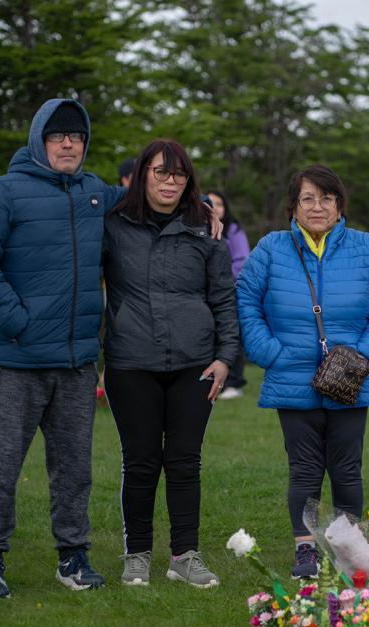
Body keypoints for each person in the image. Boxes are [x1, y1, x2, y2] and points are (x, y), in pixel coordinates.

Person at [0, 98, 124, 597]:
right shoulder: (2, 192)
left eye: (76, 136)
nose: (68, 144)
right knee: (1, 469)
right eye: (58, 135)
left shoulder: (95, 193)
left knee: (74, 471)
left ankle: (73, 557)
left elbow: (149, 201)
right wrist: (16, 322)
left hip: (76, 364)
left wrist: (199, 207)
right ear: (39, 140)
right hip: (17, 360)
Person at [237, 164, 369, 579]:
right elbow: (246, 301)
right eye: (307, 198)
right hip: (291, 375)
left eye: (326, 198)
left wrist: (367, 353)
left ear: (339, 205)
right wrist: (269, 352)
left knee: (347, 468)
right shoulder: (271, 248)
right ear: (293, 206)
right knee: (304, 469)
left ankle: (349, 552)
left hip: (350, 377)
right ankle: (306, 552)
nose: (317, 207)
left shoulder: (365, 248)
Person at [102, 139, 239, 589]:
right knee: (140, 462)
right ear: (142, 174)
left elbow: (224, 298)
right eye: (160, 172)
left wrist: (225, 357)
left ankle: (184, 555)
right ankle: (137, 555)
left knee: (184, 461)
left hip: (194, 363)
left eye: (179, 174)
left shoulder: (205, 228)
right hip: (131, 360)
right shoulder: (113, 223)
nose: (169, 181)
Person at [206, 189, 251, 400]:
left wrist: (219, 278)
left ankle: (234, 383)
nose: (215, 208)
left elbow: (242, 262)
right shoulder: (200, 229)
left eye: (220, 204)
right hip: (205, 293)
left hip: (230, 291)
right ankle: (216, 381)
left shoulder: (234, 230)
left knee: (231, 336)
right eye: (211, 203)